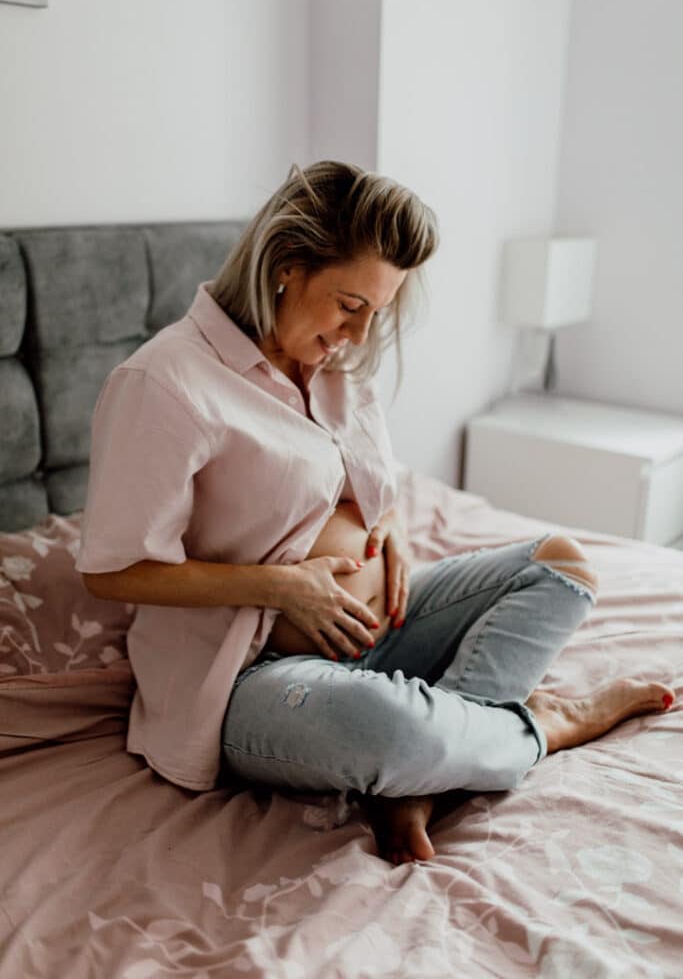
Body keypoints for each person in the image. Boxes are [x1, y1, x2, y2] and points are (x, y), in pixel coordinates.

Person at [77, 160, 675, 866]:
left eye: (376, 313)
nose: (358, 335)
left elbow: (361, 488)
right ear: (285, 267)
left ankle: (418, 783)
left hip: (379, 629)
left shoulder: (335, 366)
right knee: (391, 730)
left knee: (560, 566)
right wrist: (280, 586)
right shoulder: (166, 382)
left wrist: (384, 528)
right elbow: (115, 571)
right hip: (252, 676)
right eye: (348, 305)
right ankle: (543, 723)